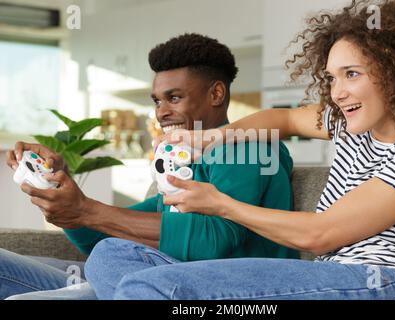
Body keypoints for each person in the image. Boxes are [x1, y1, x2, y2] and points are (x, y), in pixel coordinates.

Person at [84, 0, 395, 299]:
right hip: (329, 276)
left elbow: (319, 234)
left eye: (352, 74)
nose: (337, 92)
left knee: (150, 286)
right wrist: (207, 138)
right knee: (111, 256)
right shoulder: (348, 124)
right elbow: (284, 120)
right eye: (332, 78)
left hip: (382, 281)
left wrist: (220, 205)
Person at [3, 33, 298, 300]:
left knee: (109, 257)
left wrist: (85, 210)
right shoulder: (185, 163)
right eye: (157, 101)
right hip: (155, 281)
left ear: (216, 94)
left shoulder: (248, 146)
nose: (162, 112)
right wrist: (59, 187)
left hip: (224, 291)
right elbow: (99, 236)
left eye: (174, 98)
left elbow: (214, 241)